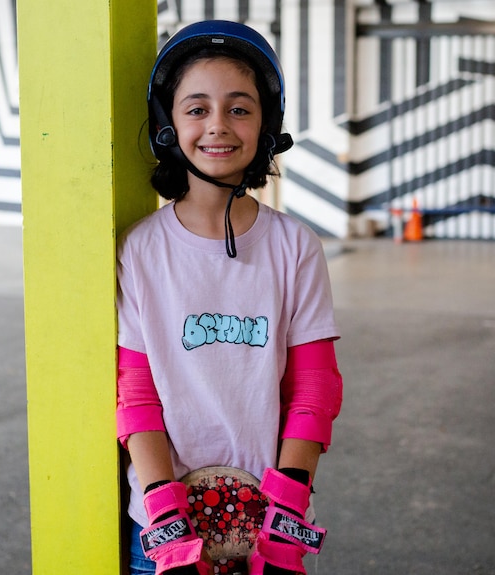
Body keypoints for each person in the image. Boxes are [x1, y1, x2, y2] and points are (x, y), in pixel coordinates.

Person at [116, 20, 343, 575]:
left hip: (270, 525)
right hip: (163, 524)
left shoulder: (294, 247)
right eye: (196, 109)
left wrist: (286, 506)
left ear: (267, 124)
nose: (217, 125)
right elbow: (136, 393)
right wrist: (165, 511)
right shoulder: (142, 250)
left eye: (239, 108)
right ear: (167, 125)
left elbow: (314, 390)